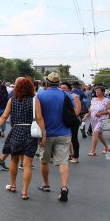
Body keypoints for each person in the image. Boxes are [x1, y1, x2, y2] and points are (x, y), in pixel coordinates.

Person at [0, 77, 45, 201]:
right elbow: (40, 118)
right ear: (31, 88)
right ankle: (24, 191)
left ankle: (13, 185)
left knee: (13, 160)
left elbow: (4, 117)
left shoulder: (12, 100)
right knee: (27, 164)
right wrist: (44, 136)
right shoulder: (35, 100)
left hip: (16, 132)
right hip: (30, 133)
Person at [36, 72, 72, 202]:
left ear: (46, 82)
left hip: (46, 133)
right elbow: (72, 111)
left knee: (44, 160)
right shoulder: (66, 95)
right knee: (63, 161)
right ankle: (63, 187)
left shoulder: (40, 95)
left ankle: (46, 184)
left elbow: (37, 116)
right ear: (59, 83)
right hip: (64, 132)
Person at [84, 85, 110, 156]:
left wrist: (101, 113)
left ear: (102, 92)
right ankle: (106, 147)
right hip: (93, 120)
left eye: (98, 90)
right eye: (96, 91)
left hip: (102, 119)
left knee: (95, 133)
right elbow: (90, 110)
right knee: (100, 135)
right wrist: (85, 116)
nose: (96, 92)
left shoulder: (106, 100)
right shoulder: (93, 100)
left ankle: (93, 151)